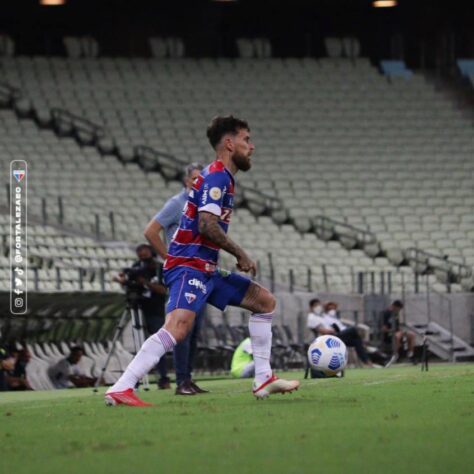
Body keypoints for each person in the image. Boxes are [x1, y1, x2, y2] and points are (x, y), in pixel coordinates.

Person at [105, 115, 299, 407]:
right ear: (230, 143)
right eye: (247, 139)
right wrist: (240, 254)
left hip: (205, 268)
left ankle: (263, 379)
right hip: (189, 267)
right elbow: (207, 224)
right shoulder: (217, 176)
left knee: (264, 302)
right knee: (178, 328)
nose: (252, 146)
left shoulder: (221, 176)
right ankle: (122, 386)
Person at [144, 162, 208, 396]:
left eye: (202, 179)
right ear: (186, 181)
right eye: (194, 179)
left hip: (201, 272)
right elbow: (151, 231)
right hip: (182, 272)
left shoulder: (203, 205)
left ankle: (188, 379)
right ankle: (181, 380)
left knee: (195, 330)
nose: (198, 182)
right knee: (183, 329)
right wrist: (169, 257)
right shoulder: (176, 203)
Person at [114, 243, 171, 389]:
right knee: (140, 345)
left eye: (145, 254)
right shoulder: (136, 267)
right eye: (140, 254)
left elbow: (163, 290)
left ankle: (163, 378)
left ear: (152, 253)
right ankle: (136, 379)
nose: (143, 257)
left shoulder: (159, 268)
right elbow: (131, 283)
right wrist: (124, 281)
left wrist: (145, 283)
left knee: (158, 344)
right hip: (138, 306)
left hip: (155, 310)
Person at [307, 300, 376, 368]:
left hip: (335, 335)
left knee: (356, 341)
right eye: (316, 305)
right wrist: (333, 330)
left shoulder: (322, 316)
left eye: (319, 305)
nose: (318, 307)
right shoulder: (312, 317)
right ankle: (365, 346)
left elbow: (332, 324)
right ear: (311, 307)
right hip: (328, 339)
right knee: (353, 329)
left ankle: (367, 362)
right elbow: (322, 331)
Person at [382, 300, 416, 365]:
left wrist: (402, 331)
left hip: (397, 332)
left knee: (412, 335)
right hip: (389, 333)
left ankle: (410, 354)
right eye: (398, 309)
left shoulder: (396, 313)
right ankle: (395, 354)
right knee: (397, 336)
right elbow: (384, 329)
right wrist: (393, 330)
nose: (399, 310)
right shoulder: (385, 313)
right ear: (394, 306)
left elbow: (397, 326)